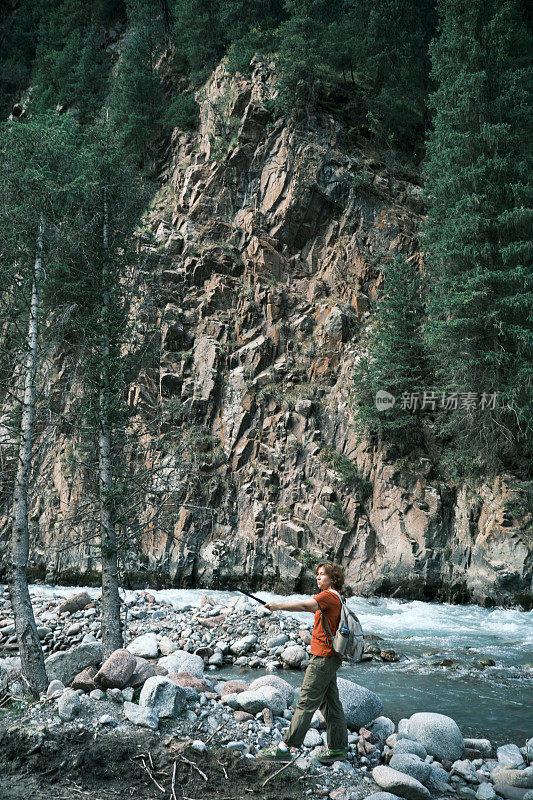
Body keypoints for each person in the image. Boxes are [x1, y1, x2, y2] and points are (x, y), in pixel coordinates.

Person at [257, 561, 348, 764]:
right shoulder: (338, 597)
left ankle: (285, 748)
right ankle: (338, 749)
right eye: (317, 574)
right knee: (331, 704)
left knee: (305, 703)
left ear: (333, 579)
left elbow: (308, 606)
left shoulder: (326, 596)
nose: (318, 577)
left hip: (323, 658)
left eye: (322, 574)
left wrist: (278, 606)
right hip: (330, 657)